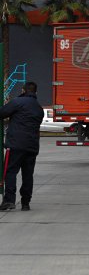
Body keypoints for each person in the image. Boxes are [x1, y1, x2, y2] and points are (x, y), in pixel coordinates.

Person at [0, 82, 44, 211]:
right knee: (28, 174)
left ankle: (9, 200)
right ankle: (25, 202)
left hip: (16, 144)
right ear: (35, 92)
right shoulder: (39, 108)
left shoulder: (18, 102)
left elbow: (2, 113)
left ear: (23, 90)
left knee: (10, 171)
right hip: (32, 146)